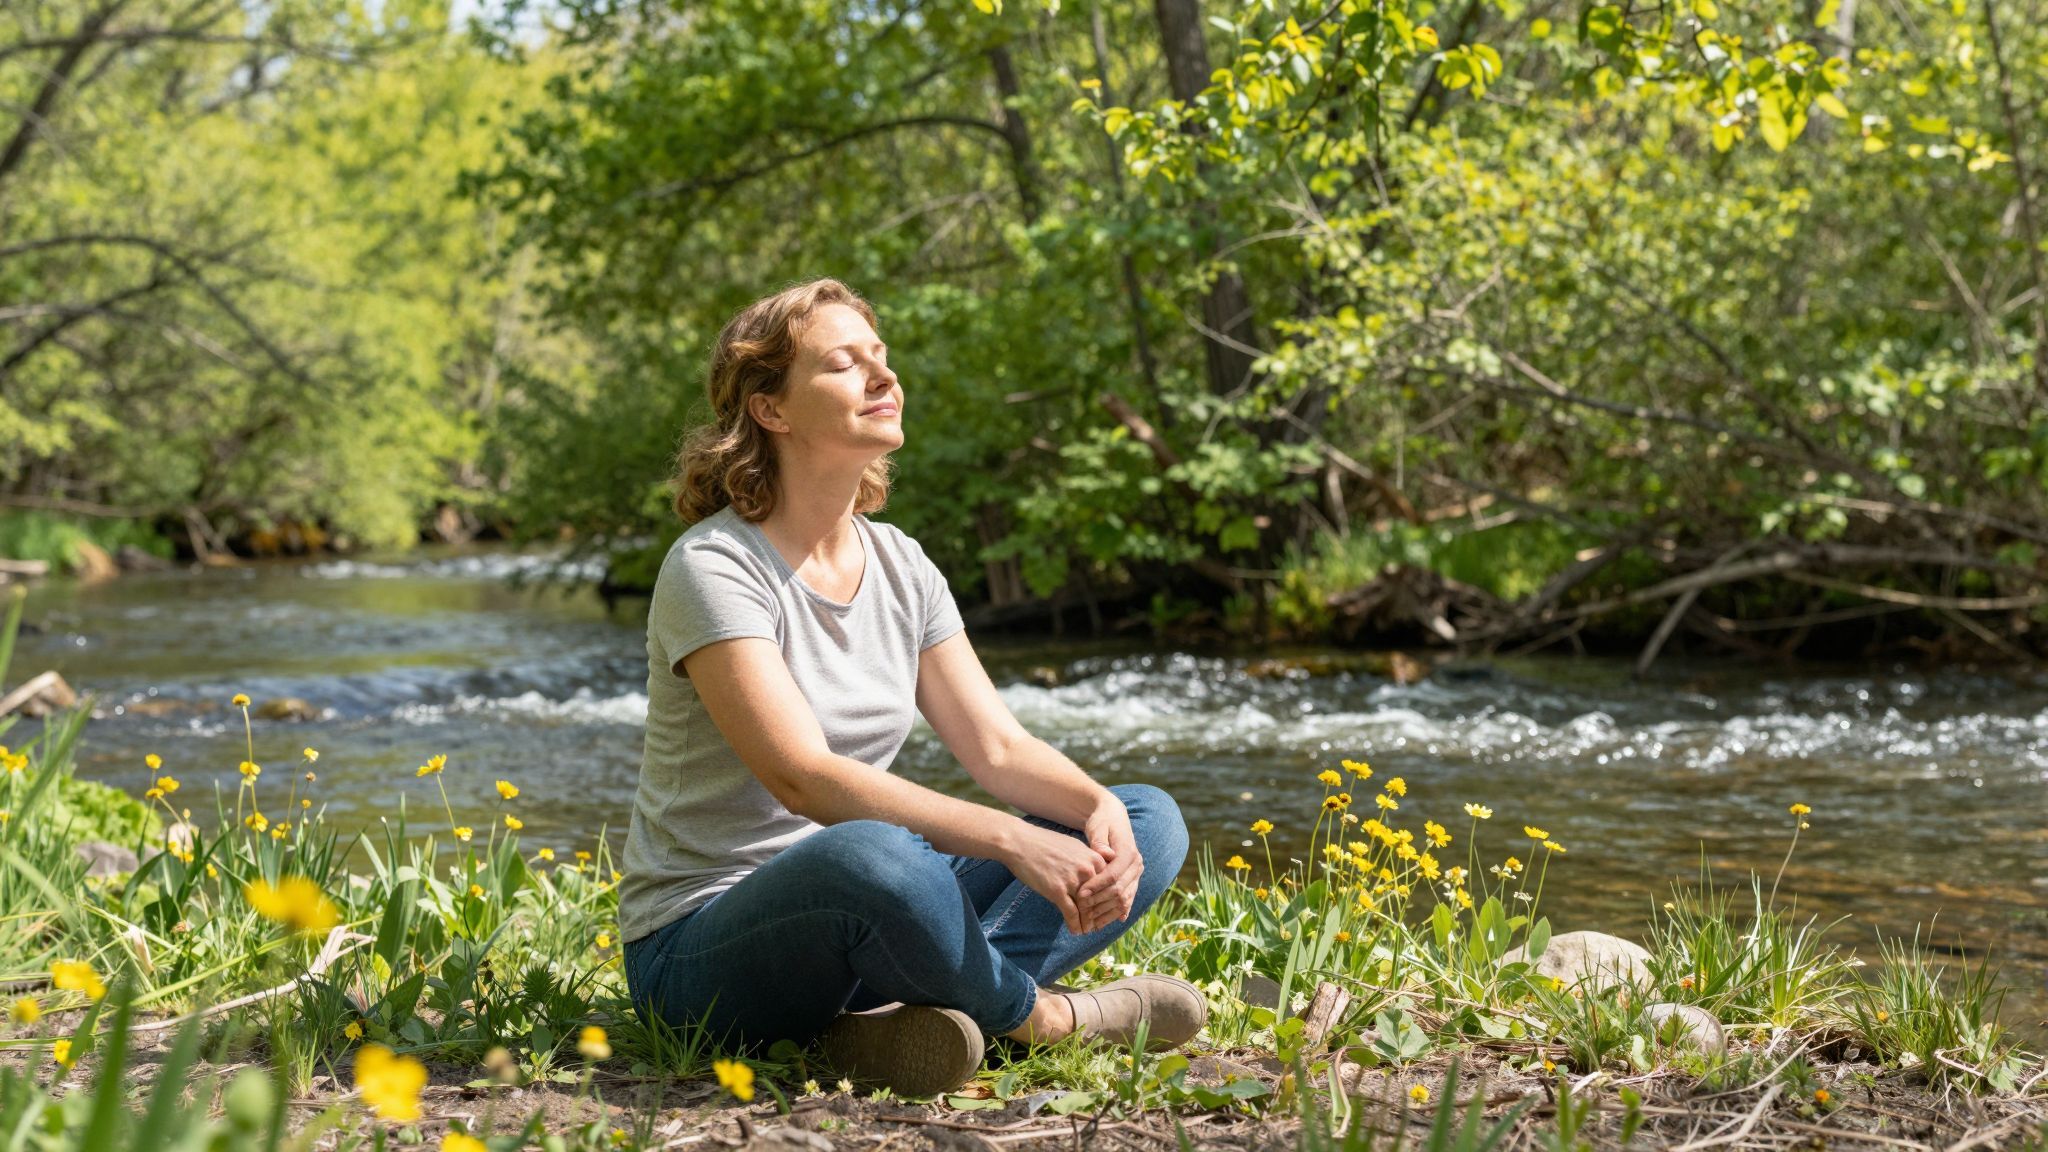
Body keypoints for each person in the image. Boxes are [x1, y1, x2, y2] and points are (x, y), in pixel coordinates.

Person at [619, 278, 1205, 1096]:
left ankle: (888, 1028)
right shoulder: (714, 568)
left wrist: (1092, 807)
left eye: (881, 359)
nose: (882, 378)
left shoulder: (901, 562)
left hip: (877, 912)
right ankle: (1040, 1018)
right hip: (700, 952)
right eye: (843, 364)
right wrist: (1009, 838)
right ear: (771, 410)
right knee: (876, 854)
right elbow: (804, 778)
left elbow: (997, 748)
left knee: (1147, 818)